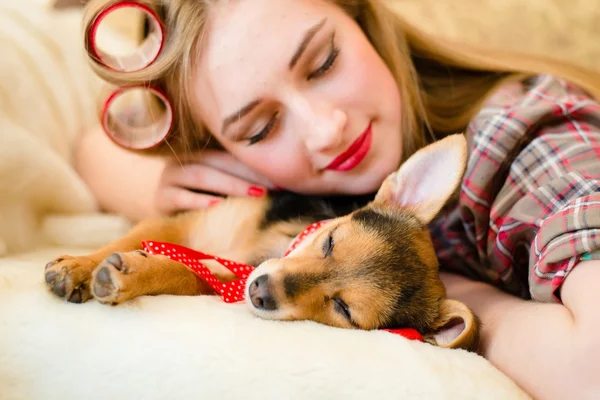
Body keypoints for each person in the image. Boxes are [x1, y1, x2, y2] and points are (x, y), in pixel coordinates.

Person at [78, 0, 600, 398]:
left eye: (324, 63)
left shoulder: (524, 141)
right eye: (261, 128)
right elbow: (91, 148)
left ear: (358, 16)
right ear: (223, 147)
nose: (325, 129)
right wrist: (157, 184)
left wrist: (450, 299)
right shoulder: (288, 193)